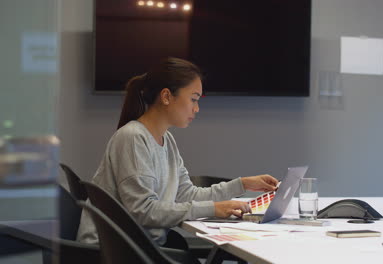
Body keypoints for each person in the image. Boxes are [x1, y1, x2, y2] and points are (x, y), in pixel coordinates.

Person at [77, 57, 279, 246]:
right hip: (113, 251)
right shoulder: (132, 137)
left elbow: (185, 194)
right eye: (193, 99)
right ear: (166, 96)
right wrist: (214, 208)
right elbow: (142, 210)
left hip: (139, 247)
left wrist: (242, 184)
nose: (197, 108)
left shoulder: (167, 140)